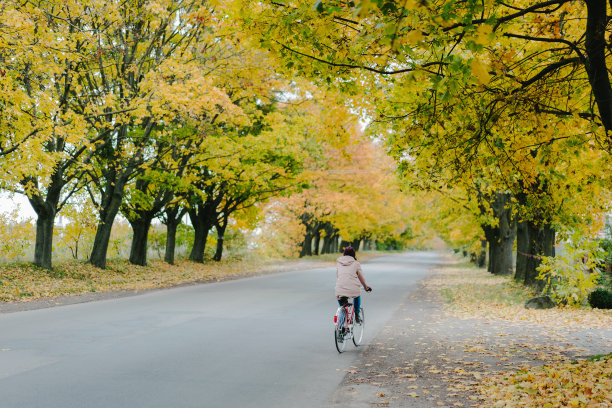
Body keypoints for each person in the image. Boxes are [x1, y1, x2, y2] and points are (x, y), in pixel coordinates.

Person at [335, 246, 372, 323]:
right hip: (352, 289)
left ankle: (341, 327)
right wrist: (366, 287)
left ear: (344, 254)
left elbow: (338, 276)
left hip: (339, 288)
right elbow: (361, 278)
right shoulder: (356, 264)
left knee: (342, 307)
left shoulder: (339, 263)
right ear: (353, 254)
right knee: (357, 294)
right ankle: (357, 314)